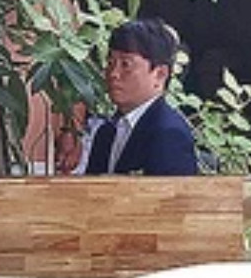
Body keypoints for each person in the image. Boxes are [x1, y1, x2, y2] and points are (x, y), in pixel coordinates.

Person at [84, 18, 198, 176]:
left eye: (126, 65)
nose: (113, 74)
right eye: (110, 63)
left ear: (160, 74)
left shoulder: (169, 133)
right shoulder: (106, 133)